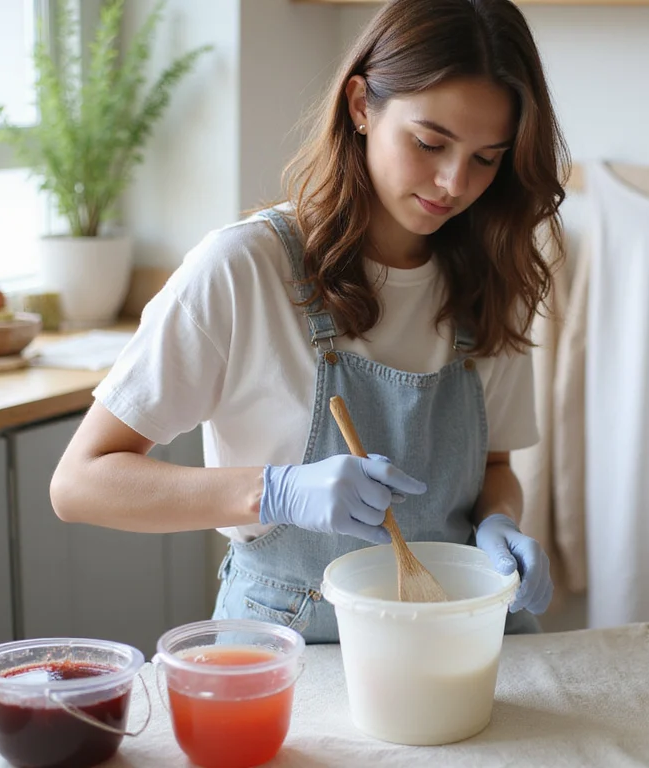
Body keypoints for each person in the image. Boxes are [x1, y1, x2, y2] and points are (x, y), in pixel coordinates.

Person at [50, 0, 568, 643]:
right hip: (285, 642)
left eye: (486, 158)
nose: (453, 182)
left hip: (456, 632)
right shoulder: (243, 269)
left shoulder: (492, 279)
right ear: (361, 105)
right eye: (430, 143)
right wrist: (275, 492)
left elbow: (494, 466)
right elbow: (81, 483)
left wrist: (500, 523)